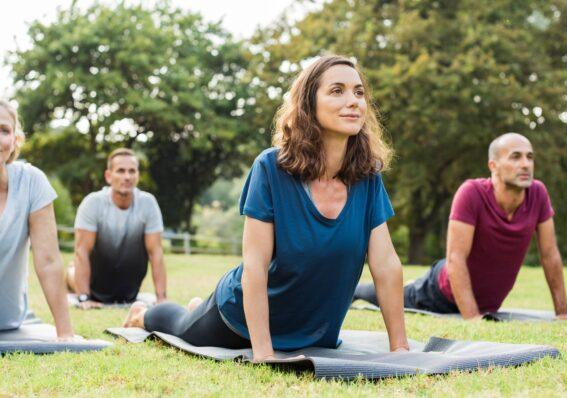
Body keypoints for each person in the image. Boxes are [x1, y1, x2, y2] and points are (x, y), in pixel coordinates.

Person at [123, 55, 410, 360]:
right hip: (239, 322)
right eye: (337, 91)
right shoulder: (271, 168)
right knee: (180, 325)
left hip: (312, 330)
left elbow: (386, 265)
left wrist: (401, 348)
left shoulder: (367, 177)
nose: (353, 101)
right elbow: (255, 266)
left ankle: (196, 305)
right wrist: (263, 352)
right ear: (308, 104)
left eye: (359, 92)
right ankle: (144, 313)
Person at [354, 133, 567, 320]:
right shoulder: (472, 192)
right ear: (493, 165)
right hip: (440, 293)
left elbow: (550, 254)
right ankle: (355, 290)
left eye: (529, 157)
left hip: (487, 303)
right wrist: (472, 318)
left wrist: (563, 314)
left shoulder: (538, 193)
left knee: (400, 290)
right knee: (392, 296)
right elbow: (456, 258)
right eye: (515, 157)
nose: (525, 164)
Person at [0, 99, 74, 338]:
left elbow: (49, 260)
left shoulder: (31, 182)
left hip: (7, 319)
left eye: (3, 130)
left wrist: (65, 334)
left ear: (14, 141)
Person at [66, 148, 167, 309]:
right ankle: (71, 273)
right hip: (94, 284)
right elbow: (82, 251)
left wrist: (161, 298)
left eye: (132, 171)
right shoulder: (92, 203)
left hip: (127, 289)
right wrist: (84, 298)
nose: (127, 176)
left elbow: (156, 252)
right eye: (120, 171)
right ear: (108, 176)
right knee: (72, 271)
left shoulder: (148, 203)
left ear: (137, 175)